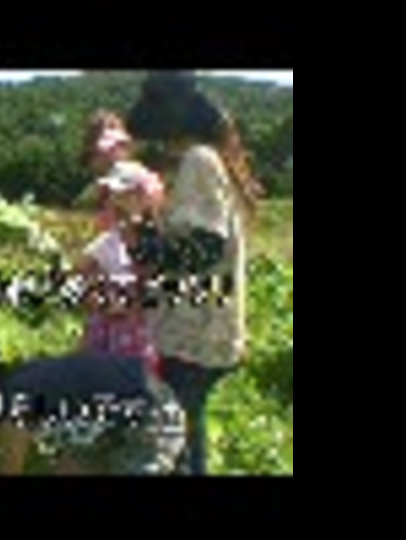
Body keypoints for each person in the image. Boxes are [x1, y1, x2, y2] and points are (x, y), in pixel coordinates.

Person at [124, 70, 265, 475]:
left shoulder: (198, 161)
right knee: (187, 435)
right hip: (207, 330)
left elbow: (203, 249)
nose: (160, 145)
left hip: (194, 334)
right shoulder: (211, 158)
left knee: (177, 446)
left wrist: (142, 239)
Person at [0, 345, 184, 475]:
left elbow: (10, 468)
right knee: (69, 468)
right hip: (114, 424)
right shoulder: (19, 384)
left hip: (150, 415)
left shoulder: (15, 398)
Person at [70, 110, 166, 378]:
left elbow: (151, 290)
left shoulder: (153, 240)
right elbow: (81, 272)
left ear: (143, 198)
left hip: (135, 342)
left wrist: (116, 300)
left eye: (125, 194)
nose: (115, 200)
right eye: (112, 194)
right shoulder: (110, 237)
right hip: (104, 334)